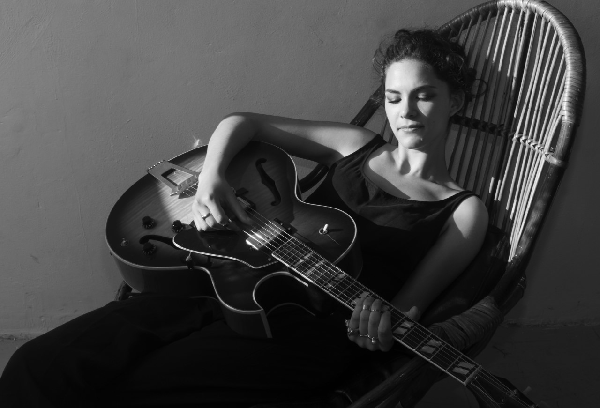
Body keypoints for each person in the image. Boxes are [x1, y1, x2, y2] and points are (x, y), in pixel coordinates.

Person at [0, 29, 487, 407]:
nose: (406, 112)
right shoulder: (356, 147)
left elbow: (405, 309)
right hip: (222, 276)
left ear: (457, 100)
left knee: (132, 392)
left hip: (303, 331)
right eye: (394, 97)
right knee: (39, 365)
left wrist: (379, 324)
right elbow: (242, 123)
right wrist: (212, 180)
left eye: (424, 95)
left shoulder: (463, 211)